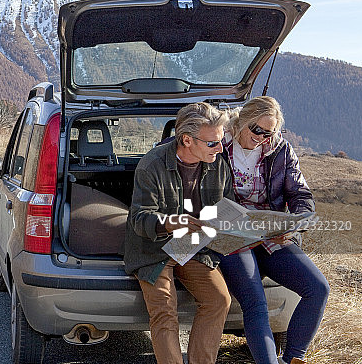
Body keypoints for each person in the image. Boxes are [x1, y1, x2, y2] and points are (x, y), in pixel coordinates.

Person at [218, 96, 329, 364]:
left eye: (269, 133)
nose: (262, 138)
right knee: (256, 302)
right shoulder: (218, 144)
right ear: (242, 121)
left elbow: (300, 193)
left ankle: (291, 359)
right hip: (232, 234)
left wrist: (295, 224)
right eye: (258, 130)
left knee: (318, 288)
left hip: (270, 234)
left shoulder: (280, 150)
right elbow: (180, 149)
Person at [125, 102, 232, 364]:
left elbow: (226, 205)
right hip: (153, 249)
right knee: (164, 311)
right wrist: (171, 222)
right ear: (186, 139)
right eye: (212, 143)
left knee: (219, 300)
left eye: (221, 141)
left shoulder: (218, 164)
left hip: (194, 246)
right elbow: (139, 219)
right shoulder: (152, 165)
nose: (219, 148)